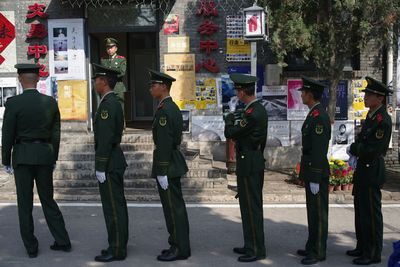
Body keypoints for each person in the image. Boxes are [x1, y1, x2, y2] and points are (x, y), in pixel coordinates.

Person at [1, 64, 71, 258]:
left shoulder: (13, 103)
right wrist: (53, 156)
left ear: (20, 80)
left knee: (25, 203)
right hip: (44, 155)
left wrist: (5, 159)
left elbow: (7, 133)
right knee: (48, 199)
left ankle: (31, 247)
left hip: (23, 156)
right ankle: (63, 240)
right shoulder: (49, 102)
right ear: (38, 80)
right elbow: (56, 133)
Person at [346, 76, 392, 265]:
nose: (365, 97)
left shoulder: (382, 120)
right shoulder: (371, 116)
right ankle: (362, 245)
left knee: (371, 213)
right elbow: (363, 141)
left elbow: (372, 149)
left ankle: (373, 252)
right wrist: (357, 147)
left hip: (372, 169)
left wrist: (355, 149)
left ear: (380, 98)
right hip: (363, 170)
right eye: (366, 94)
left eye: (370, 95)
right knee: (360, 210)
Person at [223, 73, 267, 262]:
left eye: (237, 89)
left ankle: (257, 249)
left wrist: (230, 119)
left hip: (250, 161)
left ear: (242, 92)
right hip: (248, 159)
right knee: (246, 206)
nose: (236, 93)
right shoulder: (251, 110)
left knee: (252, 207)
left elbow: (231, 132)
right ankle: (250, 244)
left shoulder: (254, 112)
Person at [148, 69, 191, 261]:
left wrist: (162, 169)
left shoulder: (165, 110)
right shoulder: (167, 107)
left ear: (163, 87)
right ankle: (176, 243)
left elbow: (165, 141)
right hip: (170, 160)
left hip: (169, 163)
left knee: (174, 209)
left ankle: (180, 248)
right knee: (173, 207)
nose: (150, 88)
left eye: (153, 85)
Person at [91, 63, 128, 262]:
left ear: (104, 82)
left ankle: (117, 248)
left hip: (110, 161)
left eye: (97, 80)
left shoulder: (108, 105)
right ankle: (118, 243)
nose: (95, 83)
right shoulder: (113, 102)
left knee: (113, 207)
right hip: (114, 159)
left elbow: (105, 138)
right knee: (117, 205)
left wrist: (100, 166)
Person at [297, 76, 331, 265]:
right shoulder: (313, 113)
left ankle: (318, 251)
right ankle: (312, 246)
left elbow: (318, 150)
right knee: (312, 212)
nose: (301, 94)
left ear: (310, 95)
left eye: (303, 92)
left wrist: (316, 176)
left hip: (316, 170)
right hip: (311, 169)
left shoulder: (319, 117)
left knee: (318, 213)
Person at [100, 38, 127, 111]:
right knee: (108, 109)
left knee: (119, 109)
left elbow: (122, 72)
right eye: (108, 48)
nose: (109, 50)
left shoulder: (121, 59)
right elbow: (102, 73)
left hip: (118, 87)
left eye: (111, 47)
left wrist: (109, 74)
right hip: (107, 88)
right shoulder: (103, 60)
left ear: (116, 48)